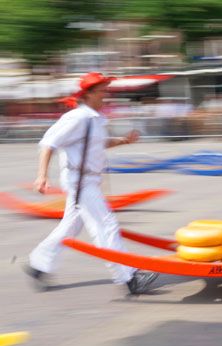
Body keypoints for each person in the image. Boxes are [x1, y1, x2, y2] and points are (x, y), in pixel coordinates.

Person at [24, 72, 158, 294]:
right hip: (80, 182)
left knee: (70, 227)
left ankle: (38, 264)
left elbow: (99, 144)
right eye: (102, 90)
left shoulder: (94, 119)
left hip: (88, 180)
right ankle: (128, 277)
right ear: (88, 94)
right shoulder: (78, 118)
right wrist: (42, 175)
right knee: (106, 225)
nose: (106, 94)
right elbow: (49, 143)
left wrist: (124, 141)